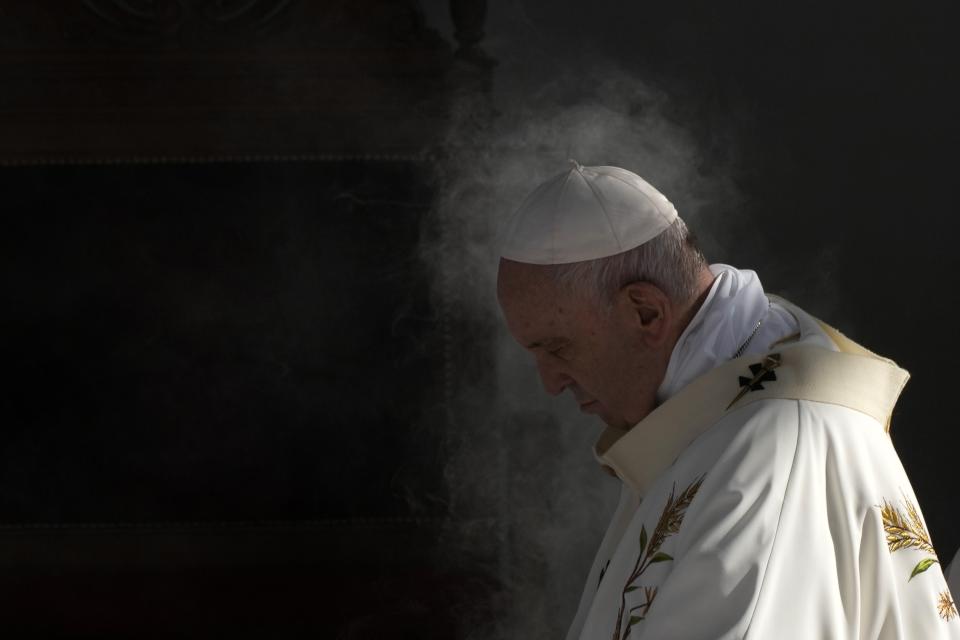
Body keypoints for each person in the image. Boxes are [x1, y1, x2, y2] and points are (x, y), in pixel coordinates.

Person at [495, 162, 959, 639]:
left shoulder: (774, 446)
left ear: (646, 312)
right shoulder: (709, 413)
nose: (550, 382)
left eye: (557, 347)